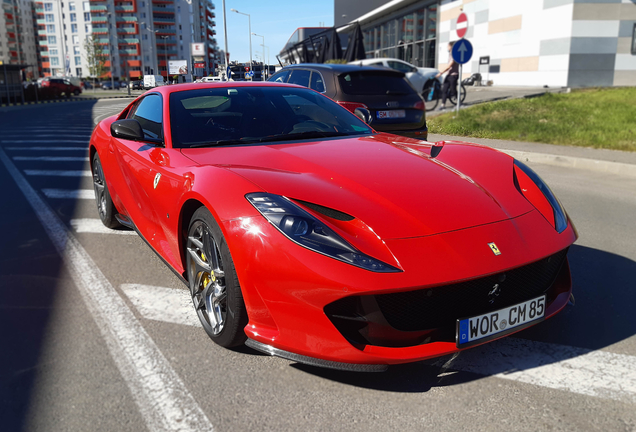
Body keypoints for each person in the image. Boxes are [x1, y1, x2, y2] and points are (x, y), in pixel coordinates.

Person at [435, 41, 459, 110]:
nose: (447, 47)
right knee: (444, 90)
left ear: (451, 47)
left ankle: (459, 103)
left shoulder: (454, 55)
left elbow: (449, 66)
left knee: (453, 90)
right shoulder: (450, 54)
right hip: (448, 75)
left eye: (448, 46)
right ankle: (443, 105)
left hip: (453, 75)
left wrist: (440, 73)